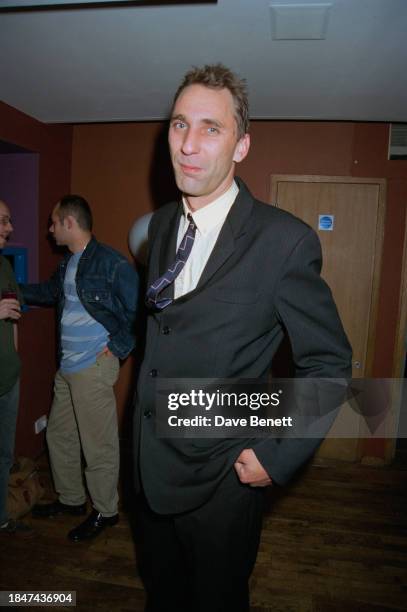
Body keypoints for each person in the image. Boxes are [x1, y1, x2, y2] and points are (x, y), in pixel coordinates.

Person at [133, 64, 352, 612]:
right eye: (180, 125)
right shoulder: (161, 226)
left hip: (222, 479)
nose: (189, 144)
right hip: (148, 466)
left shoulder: (283, 243)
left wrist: (275, 455)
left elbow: (328, 363)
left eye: (211, 128)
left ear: (241, 146)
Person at [21, 195, 139, 542]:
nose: (49, 229)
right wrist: (10, 288)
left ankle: (106, 510)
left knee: (98, 445)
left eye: (53, 222)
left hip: (92, 367)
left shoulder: (111, 264)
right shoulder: (69, 263)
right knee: (59, 435)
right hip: (68, 368)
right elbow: (47, 293)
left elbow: (140, 312)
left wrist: (115, 347)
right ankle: (72, 500)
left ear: (69, 223)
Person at [0, 200, 34, 538]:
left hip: (9, 377)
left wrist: (16, 358)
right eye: (3, 221)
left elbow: (14, 317)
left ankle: (2, 517)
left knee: (4, 454)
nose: (9, 228)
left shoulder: (3, 265)